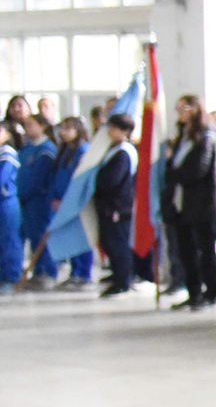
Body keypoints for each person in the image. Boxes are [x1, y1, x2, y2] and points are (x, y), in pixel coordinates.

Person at [165, 95, 216, 309]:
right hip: (182, 202)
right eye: (178, 108)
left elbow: (197, 170)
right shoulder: (183, 137)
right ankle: (194, 292)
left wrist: (173, 174)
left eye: (184, 108)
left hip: (202, 203)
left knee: (205, 249)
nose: (180, 112)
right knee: (186, 251)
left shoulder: (206, 137)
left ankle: (212, 292)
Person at [93, 113, 139, 297]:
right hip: (108, 205)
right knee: (109, 242)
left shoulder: (123, 153)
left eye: (113, 128)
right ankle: (116, 275)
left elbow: (112, 180)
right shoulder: (113, 149)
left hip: (118, 206)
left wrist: (96, 181)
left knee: (118, 244)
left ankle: (123, 281)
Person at [51, 117, 96, 289]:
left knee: (81, 237)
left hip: (76, 203)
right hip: (61, 202)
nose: (64, 132)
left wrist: (69, 201)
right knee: (70, 237)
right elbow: (57, 177)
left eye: (68, 128)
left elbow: (80, 180)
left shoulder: (83, 150)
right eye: (62, 128)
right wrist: (54, 198)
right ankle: (74, 272)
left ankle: (84, 274)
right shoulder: (64, 151)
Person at [13, 100, 51, 289]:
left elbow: (39, 178)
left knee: (40, 235)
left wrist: (26, 193)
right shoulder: (27, 147)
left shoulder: (46, 150)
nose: (27, 128)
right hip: (25, 199)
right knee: (30, 235)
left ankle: (47, 271)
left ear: (42, 126)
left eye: (31, 125)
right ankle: (37, 271)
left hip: (39, 199)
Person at [0, 109, 20, 294]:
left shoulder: (7, 154)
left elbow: (2, 177)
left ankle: (11, 277)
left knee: (9, 240)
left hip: (6, 202)